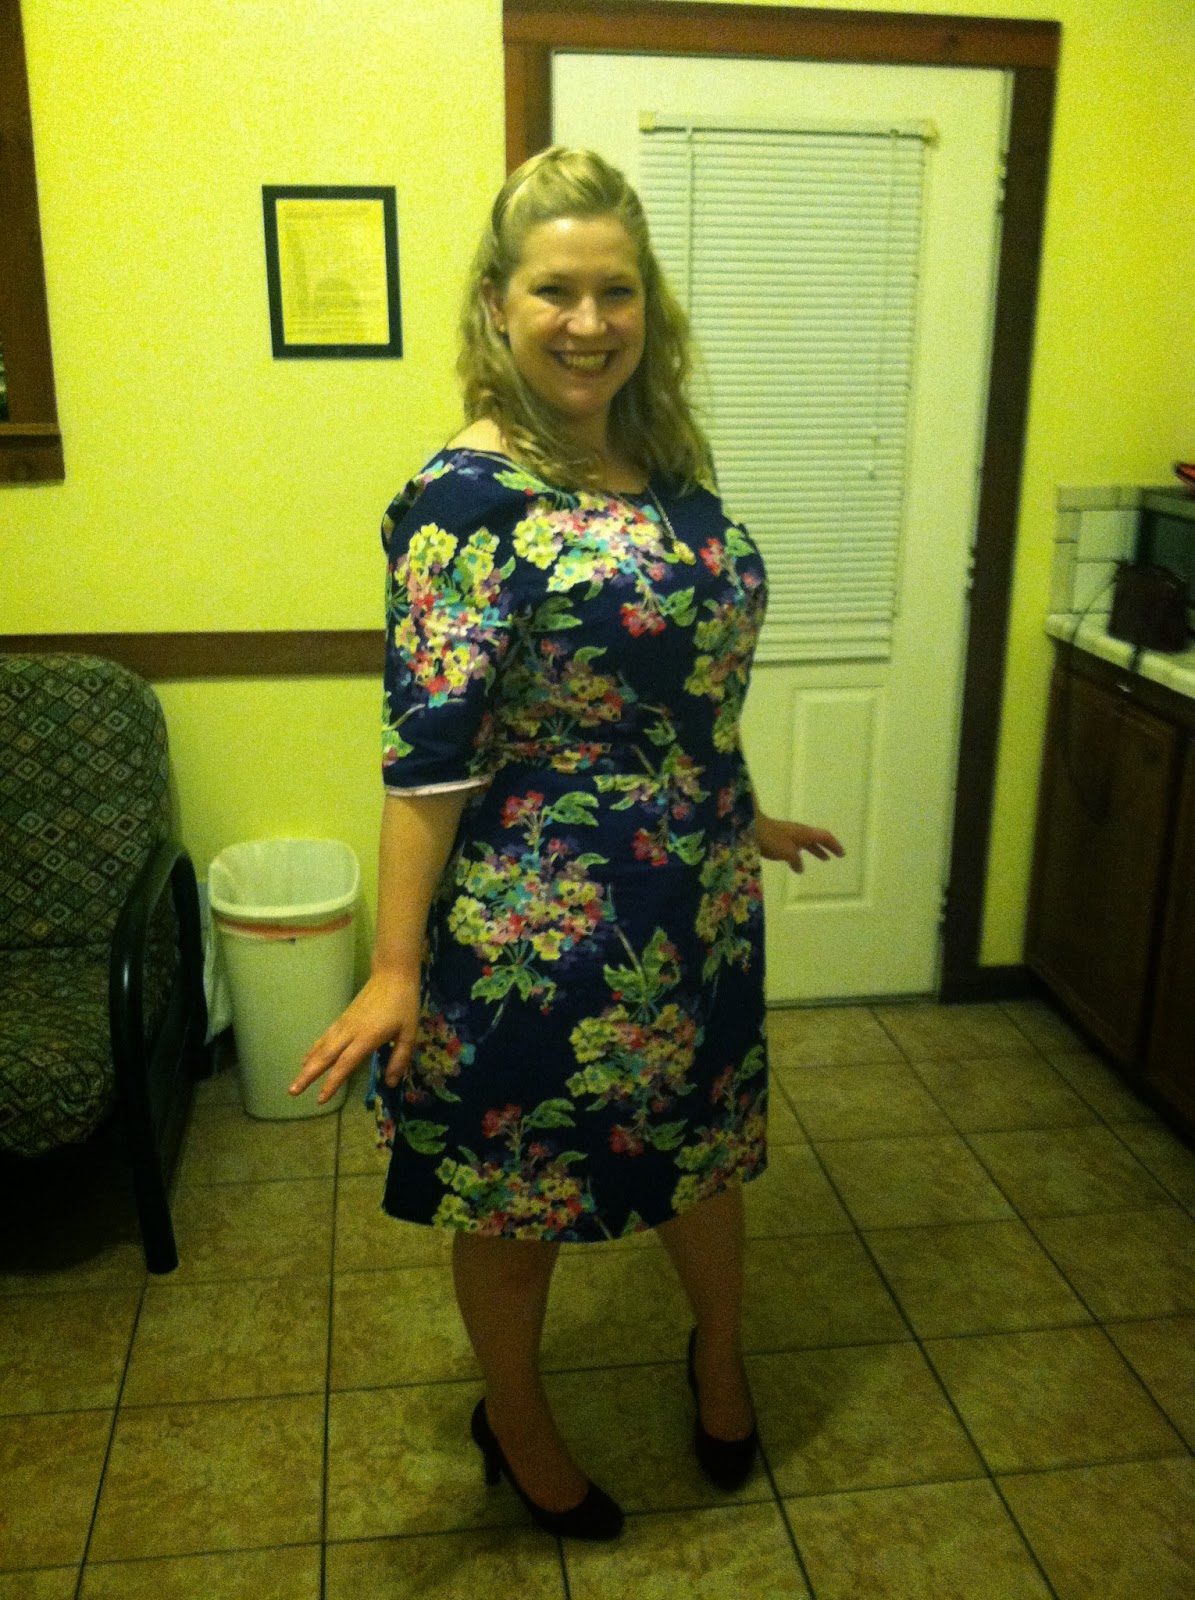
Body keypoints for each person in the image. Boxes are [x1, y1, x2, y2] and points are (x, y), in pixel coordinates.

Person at [289, 146, 844, 1541]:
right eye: (556, 291)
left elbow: (686, 686)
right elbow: (429, 756)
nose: (589, 321)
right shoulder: (466, 500)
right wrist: (396, 966)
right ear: (497, 303)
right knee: (518, 1195)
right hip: (538, 927)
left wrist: (741, 814)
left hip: (696, 905)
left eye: (618, 291)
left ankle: (719, 1354)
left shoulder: (668, 468)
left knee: (704, 1152)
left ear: (649, 303)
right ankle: (517, 1422)